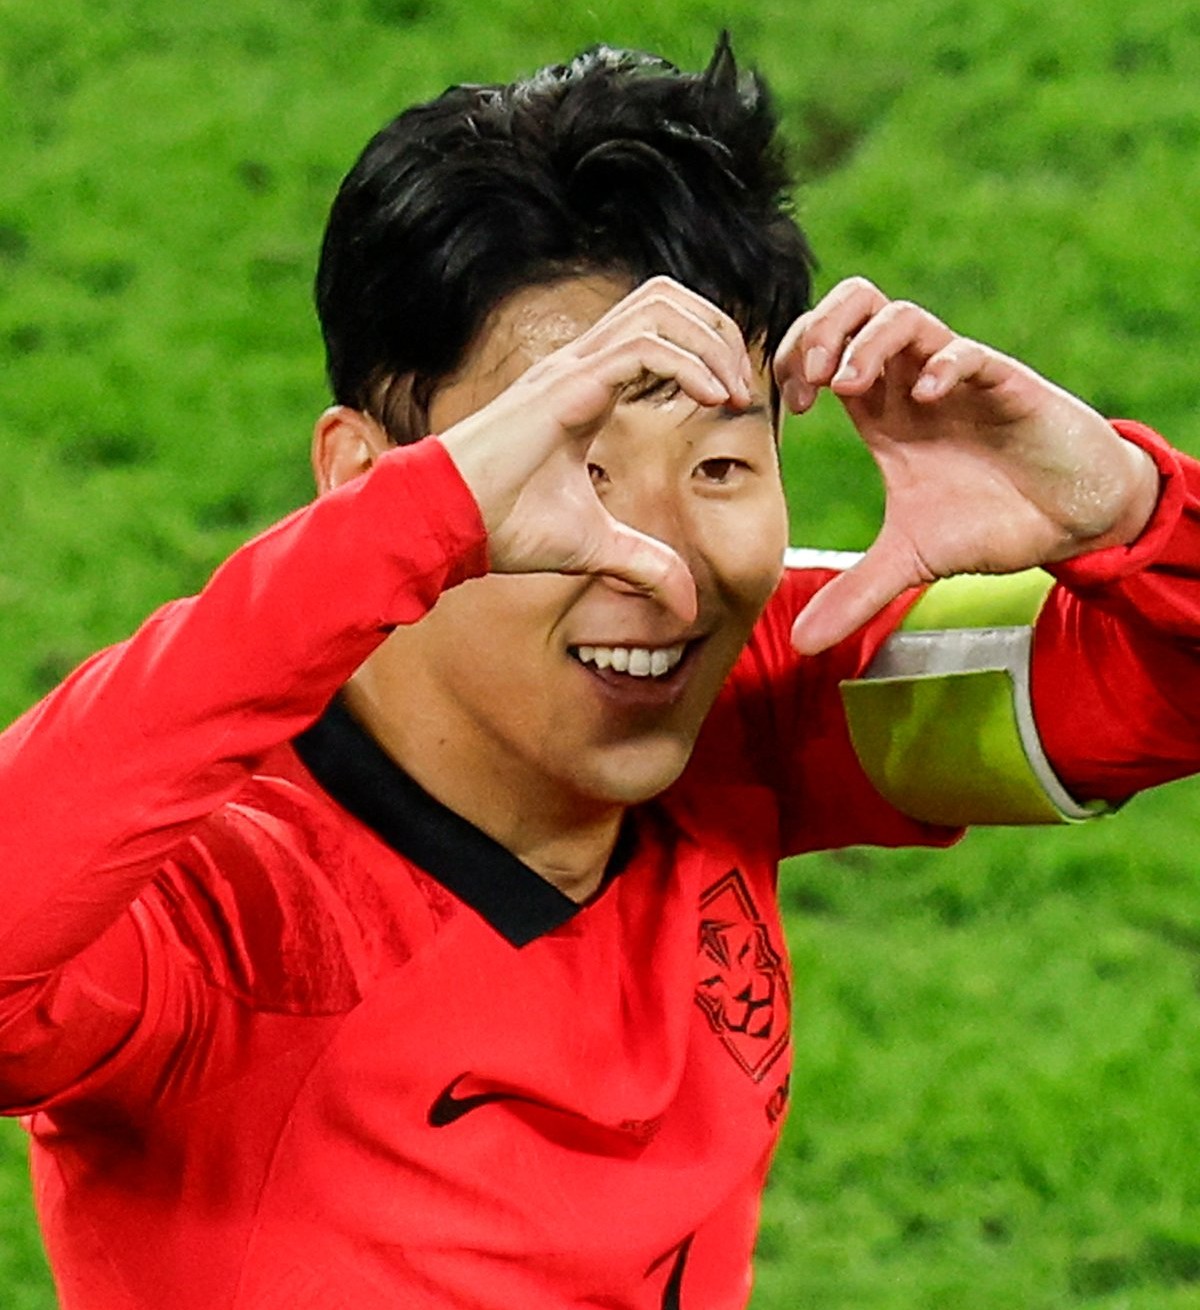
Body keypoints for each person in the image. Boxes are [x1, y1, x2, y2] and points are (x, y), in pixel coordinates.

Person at [1, 36, 1197, 1310]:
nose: (664, 569)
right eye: (569, 464)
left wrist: (1126, 506)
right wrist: (405, 535)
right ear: (368, 481)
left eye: (720, 464)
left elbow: (1162, 683)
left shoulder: (762, 689)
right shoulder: (220, 910)